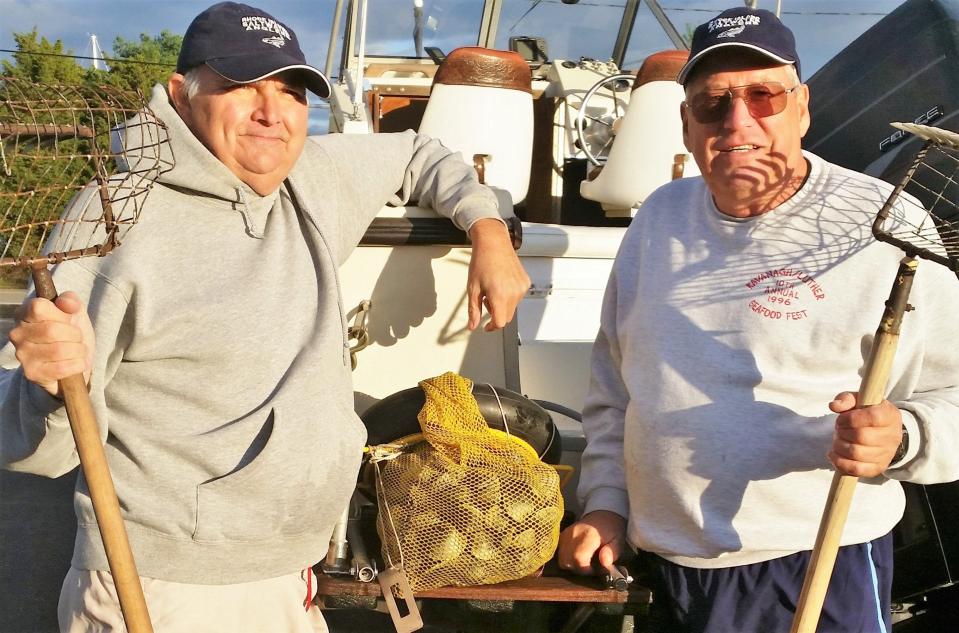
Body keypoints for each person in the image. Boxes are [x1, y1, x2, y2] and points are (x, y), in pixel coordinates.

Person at [0, 2, 529, 632]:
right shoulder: (113, 216)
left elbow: (420, 153)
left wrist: (488, 229)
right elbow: (33, 448)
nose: (270, 113)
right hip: (165, 588)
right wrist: (47, 387)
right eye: (239, 86)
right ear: (180, 93)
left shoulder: (310, 174)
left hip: (294, 577)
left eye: (291, 91)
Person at [557, 6, 959, 633]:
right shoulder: (657, 219)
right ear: (687, 124)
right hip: (665, 567)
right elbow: (615, 390)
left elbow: (953, 394)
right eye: (713, 103)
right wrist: (606, 503)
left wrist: (901, 437)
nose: (738, 121)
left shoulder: (889, 223)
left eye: (763, 96)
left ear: (802, 106)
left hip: (816, 566)